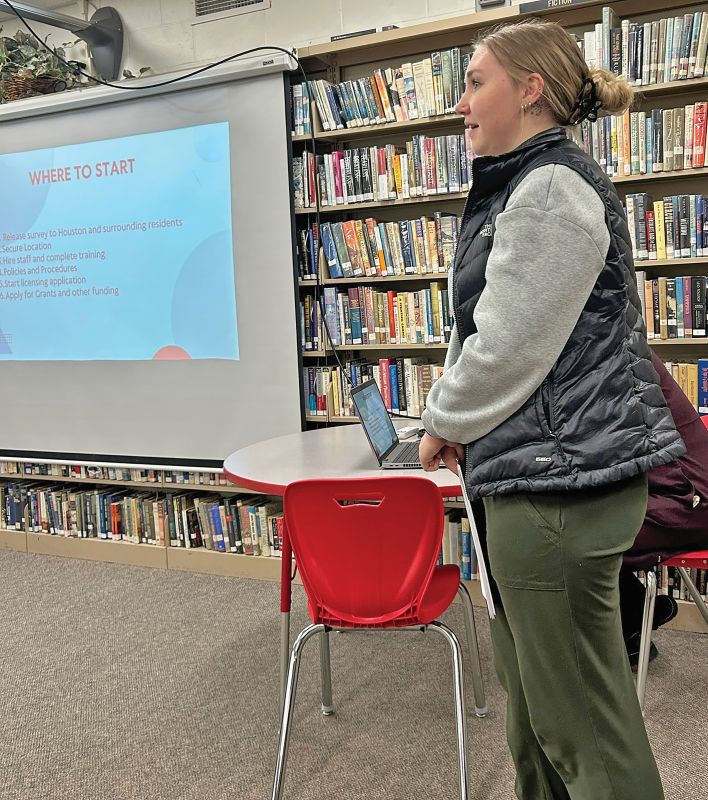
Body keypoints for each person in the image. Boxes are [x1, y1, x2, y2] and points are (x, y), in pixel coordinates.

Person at [418, 19, 686, 800]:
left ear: (531, 89)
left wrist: (445, 421)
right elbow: (482, 328)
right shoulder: (521, 184)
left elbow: (509, 345)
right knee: (536, 719)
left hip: (559, 489)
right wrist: (459, 418)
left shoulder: (549, 190)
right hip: (536, 476)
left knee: (583, 732)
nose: (461, 102)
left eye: (476, 82)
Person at [621, 351, 708, 665]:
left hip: (690, 498)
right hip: (676, 492)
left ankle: (630, 614)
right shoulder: (613, 342)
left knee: (572, 536)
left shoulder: (611, 354)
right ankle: (631, 618)